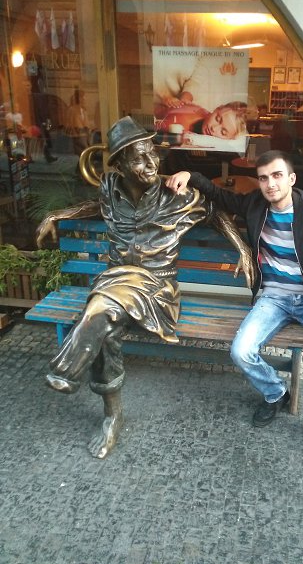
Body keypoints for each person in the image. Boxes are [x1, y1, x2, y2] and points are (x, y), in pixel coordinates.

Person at [36, 116, 255, 459]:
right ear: (120, 165)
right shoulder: (110, 189)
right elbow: (97, 208)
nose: (151, 163)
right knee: (104, 324)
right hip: (115, 283)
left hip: (156, 289)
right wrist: (57, 215)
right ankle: (112, 415)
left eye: (152, 154)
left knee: (99, 308)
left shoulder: (177, 195)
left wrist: (242, 248)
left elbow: (215, 214)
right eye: (138, 158)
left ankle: (67, 374)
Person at [166, 150, 303, 466]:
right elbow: (218, 194)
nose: (270, 184)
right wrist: (191, 176)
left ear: (291, 178)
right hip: (273, 299)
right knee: (241, 351)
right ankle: (276, 393)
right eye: (263, 178)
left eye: (277, 176)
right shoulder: (255, 205)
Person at [156, 101, 248, 141]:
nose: (214, 128)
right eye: (217, 119)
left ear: (231, 139)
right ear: (217, 108)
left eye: (223, 132)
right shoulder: (187, 114)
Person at [65, 88, 90, 157]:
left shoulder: (83, 110)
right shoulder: (72, 110)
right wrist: (75, 133)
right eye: (82, 97)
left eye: (84, 97)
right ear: (79, 99)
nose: (84, 99)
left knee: (85, 152)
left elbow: (86, 123)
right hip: (77, 135)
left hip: (85, 134)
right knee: (83, 152)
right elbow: (69, 123)